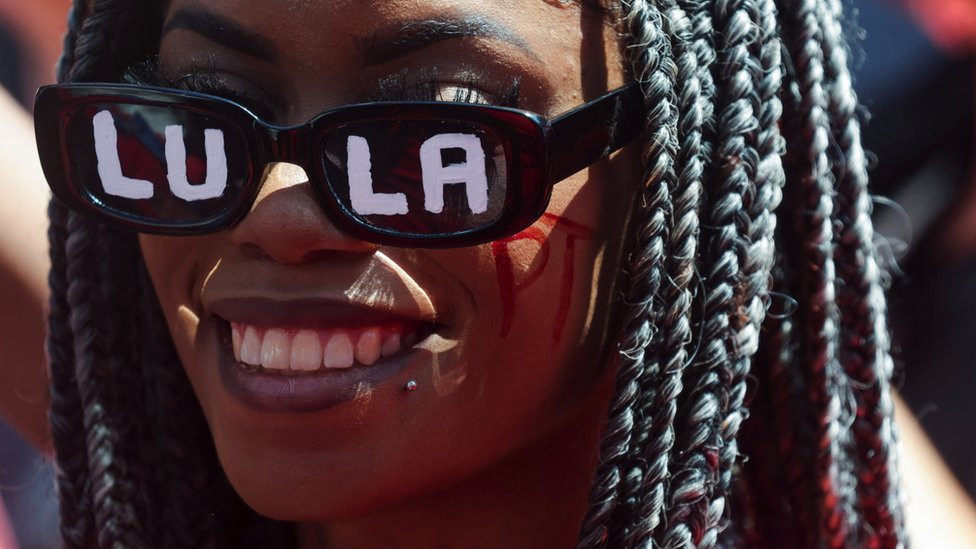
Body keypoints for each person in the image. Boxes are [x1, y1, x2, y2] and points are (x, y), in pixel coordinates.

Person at [11, 0, 976, 547]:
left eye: (433, 141)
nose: (277, 211)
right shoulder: (126, 398)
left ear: (691, 168)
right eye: (195, 113)